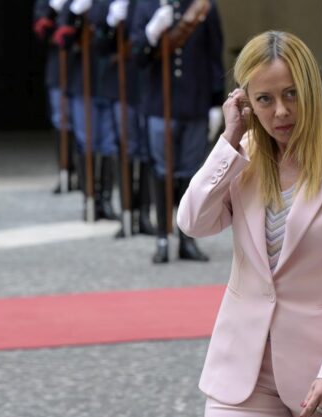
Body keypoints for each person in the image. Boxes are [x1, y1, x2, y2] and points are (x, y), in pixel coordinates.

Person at [177, 31, 322, 417]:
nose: (281, 111)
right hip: (243, 368)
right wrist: (229, 140)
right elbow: (193, 222)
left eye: (291, 93)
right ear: (246, 102)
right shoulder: (242, 157)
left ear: (311, 87)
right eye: (265, 99)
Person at [131, 0, 224, 263]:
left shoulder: (203, 5)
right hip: (159, 104)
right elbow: (137, 57)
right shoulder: (146, 6)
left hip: (195, 102)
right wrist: (151, 34)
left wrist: (216, 101)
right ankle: (162, 236)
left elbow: (214, 55)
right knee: (162, 172)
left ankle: (186, 238)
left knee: (190, 174)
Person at [91, 0, 156, 236]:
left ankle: (145, 213)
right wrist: (111, 24)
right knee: (126, 149)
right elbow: (98, 46)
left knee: (147, 152)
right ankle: (127, 211)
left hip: (148, 85)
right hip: (120, 86)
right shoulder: (107, 3)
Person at [53, 0, 120, 221]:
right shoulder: (74, 4)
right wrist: (74, 15)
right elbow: (61, 40)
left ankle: (106, 200)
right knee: (86, 142)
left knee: (109, 144)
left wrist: (111, 24)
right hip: (82, 82)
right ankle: (89, 198)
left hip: (109, 81)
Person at [33, 0, 78, 193]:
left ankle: (85, 175)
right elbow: (41, 32)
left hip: (81, 69)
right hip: (58, 69)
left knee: (84, 126)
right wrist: (52, 12)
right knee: (61, 122)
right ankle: (65, 171)